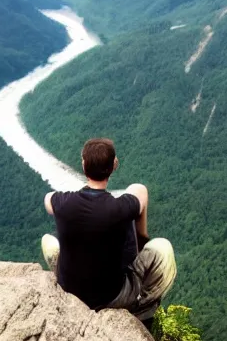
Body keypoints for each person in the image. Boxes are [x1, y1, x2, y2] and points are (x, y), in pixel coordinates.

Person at [42, 137, 177, 322]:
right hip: (111, 297)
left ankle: (64, 273)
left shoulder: (62, 203)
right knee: (162, 247)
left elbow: (48, 199)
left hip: (71, 290)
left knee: (49, 242)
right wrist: (142, 237)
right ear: (114, 165)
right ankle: (142, 306)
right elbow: (140, 190)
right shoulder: (120, 209)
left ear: (83, 165)